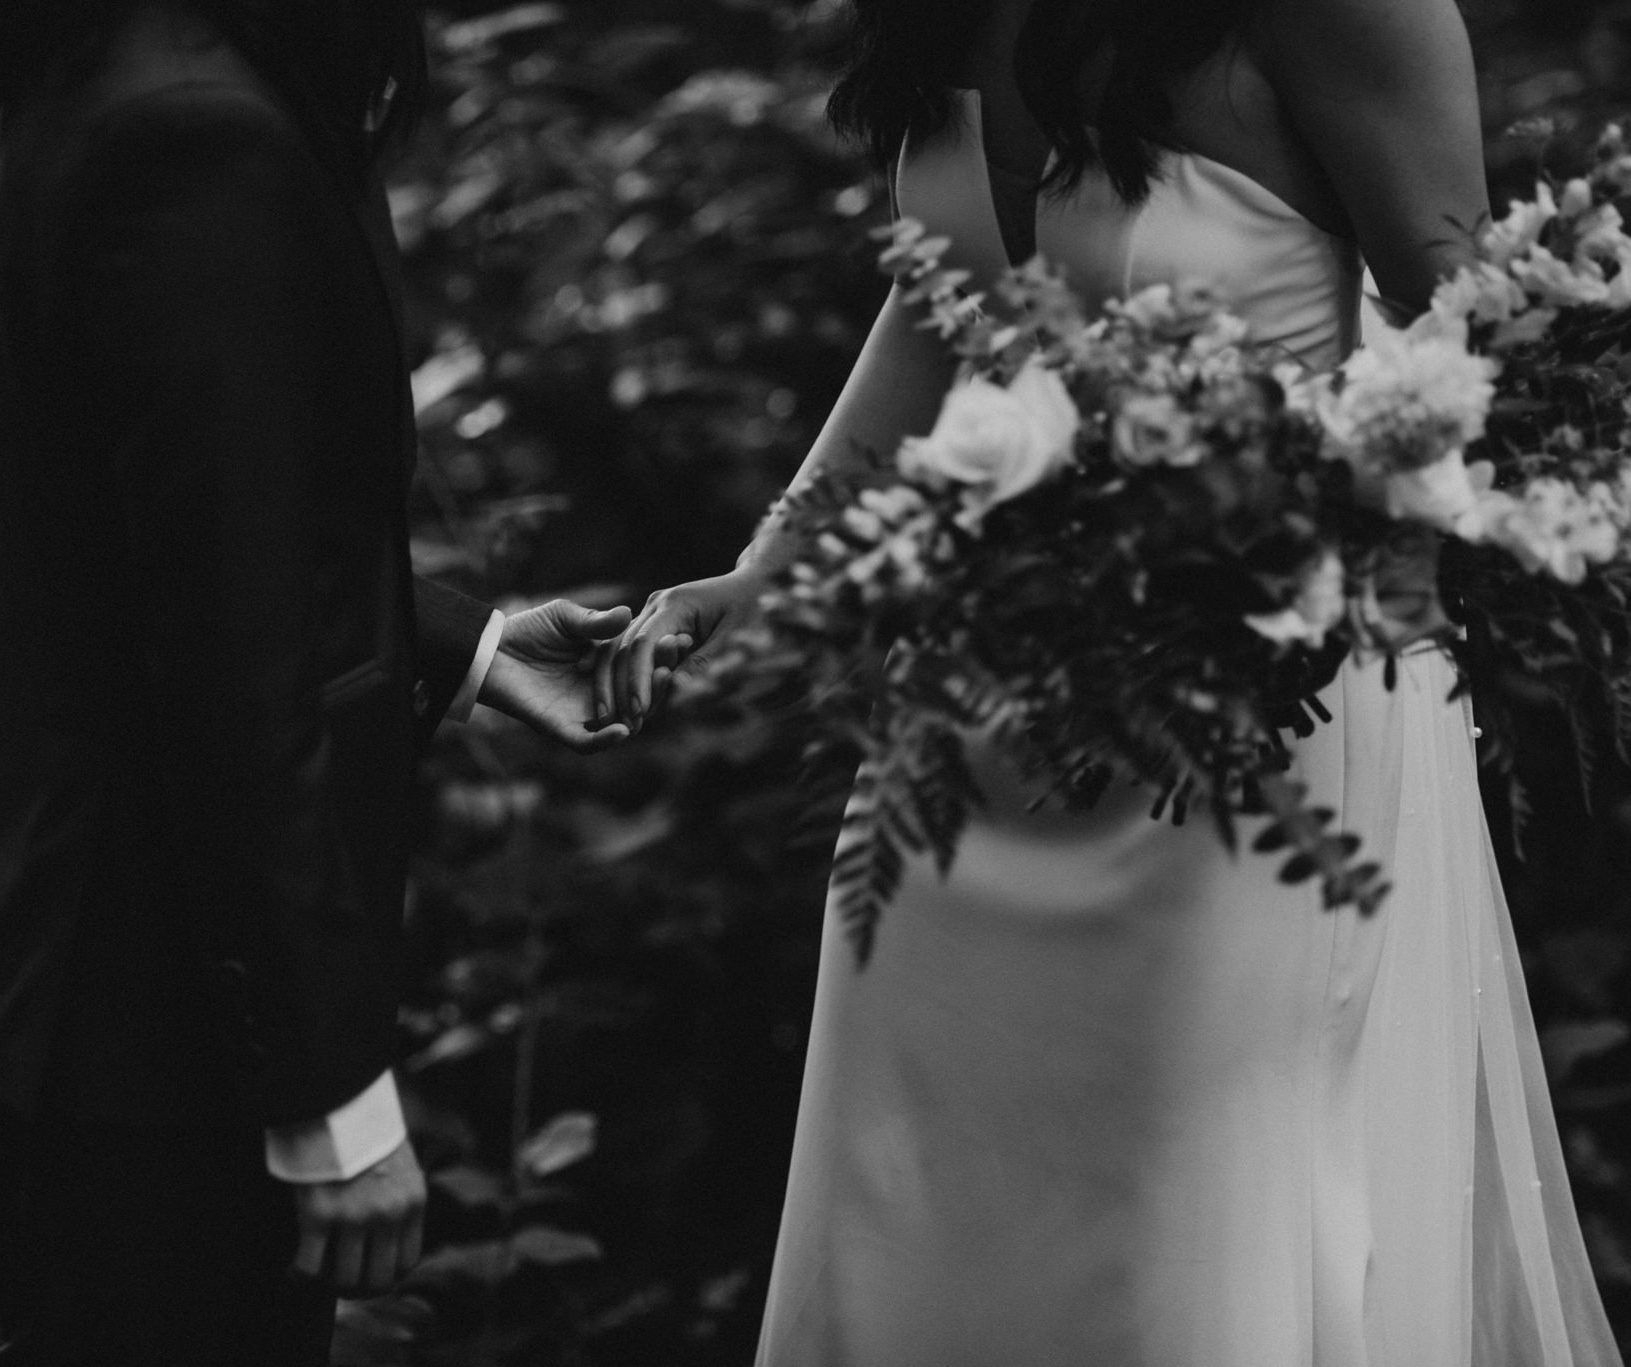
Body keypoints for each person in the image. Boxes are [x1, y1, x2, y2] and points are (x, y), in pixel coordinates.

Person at [602, 0, 1627, 1361]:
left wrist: (1305, 525)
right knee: (925, 1220)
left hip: (1254, 735)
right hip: (967, 739)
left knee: (1183, 1250)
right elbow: (941, 310)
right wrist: (770, 564)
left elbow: (1485, 345)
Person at [0, 1, 628, 1361]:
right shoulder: (194, 130)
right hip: (154, 1032)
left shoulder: (95, 53)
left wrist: (464, 647)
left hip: (89, 994)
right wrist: (325, 1090)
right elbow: (222, 680)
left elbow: (165, 555)